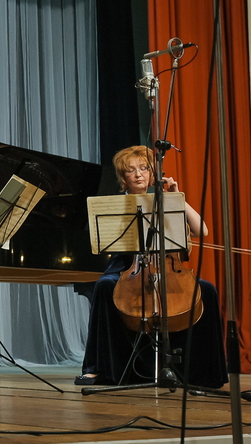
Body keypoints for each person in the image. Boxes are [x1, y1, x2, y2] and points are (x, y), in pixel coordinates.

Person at [76, 145, 227, 388]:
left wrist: (178, 197)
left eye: (144, 168)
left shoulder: (167, 200)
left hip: (168, 268)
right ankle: (97, 368)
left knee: (206, 290)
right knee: (105, 286)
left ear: (152, 174)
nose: (138, 174)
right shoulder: (116, 205)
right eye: (131, 170)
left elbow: (202, 230)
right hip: (127, 267)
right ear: (123, 178)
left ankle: (205, 371)